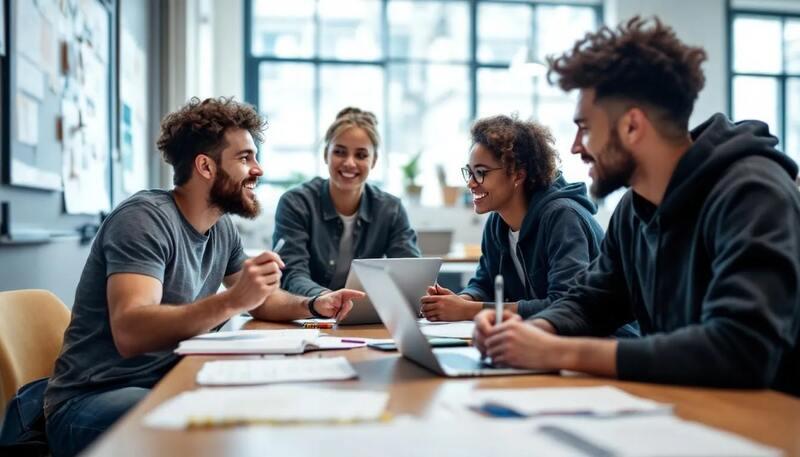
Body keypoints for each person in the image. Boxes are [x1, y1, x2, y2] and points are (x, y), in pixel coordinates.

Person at [474, 17, 800, 396]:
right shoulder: (634, 208)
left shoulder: (752, 194)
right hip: (682, 407)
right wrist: (529, 332)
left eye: (585, 128)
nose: (576, 147)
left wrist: (559, 352)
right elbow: (590, 302)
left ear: (632, 126)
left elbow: (739, 349)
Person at [44, 97, 364, 457]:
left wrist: (314, 304)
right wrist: (232, 300)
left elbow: (257, 298)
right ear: (205, 167)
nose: (258, 169)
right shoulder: (143, 220)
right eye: (245, 158)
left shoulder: (220, 226)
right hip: (93, 399)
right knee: (227, 435)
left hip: (167, 381)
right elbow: (130, 331)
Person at [420, 115, 626, 329]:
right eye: (469, 173)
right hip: (543, 341)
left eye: (481, 173)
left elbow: (564, 305)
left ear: (517, 175)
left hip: (602, 343)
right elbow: (485, 284)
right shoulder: (496, 223)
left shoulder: (562, 217)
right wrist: (461, 300)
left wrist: (469, 310)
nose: (471, 183)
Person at [273, 107, 420, 298]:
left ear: (374, 160)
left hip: (363, 315)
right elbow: (292, 274)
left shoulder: (391, 209)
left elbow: (410, 273)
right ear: (326, 154)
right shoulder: (296, 203)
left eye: (361, 155)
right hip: (306, 316)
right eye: (340, 152)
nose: (350, 163)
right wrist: (327, 300)